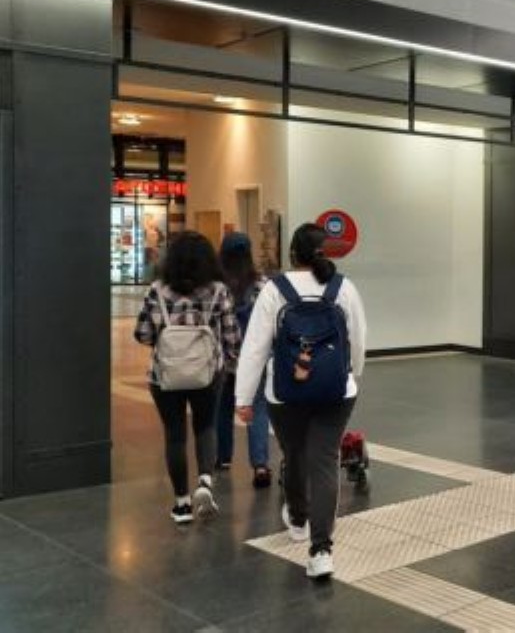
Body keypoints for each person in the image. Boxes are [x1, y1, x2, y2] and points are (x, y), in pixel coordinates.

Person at [235, 223, 367, 580]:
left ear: (292, 254)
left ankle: (297, 520)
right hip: (336, 392)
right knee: (324, 461)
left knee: (294, 454)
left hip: (285, 393)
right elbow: (358, 339)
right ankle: (321, 552)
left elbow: (255, 347)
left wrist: (243, 397)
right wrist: (351, 373)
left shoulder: (274, 290)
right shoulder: (344, 288)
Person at [134, 231, 240, 524]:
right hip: (208, 373)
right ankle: (204, 480)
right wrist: (228, 362)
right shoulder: (218, 290)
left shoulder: (157, 290)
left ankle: (181, 504)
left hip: (165, 376)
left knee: (175, 434)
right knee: (206, 427)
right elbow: (232, 337)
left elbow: (143, 334)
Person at [214, 232, 273, 488]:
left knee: (222, 408)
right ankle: (260, 464)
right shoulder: (262, 284)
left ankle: (222, 457)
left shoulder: (215, 286)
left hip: (223, 358)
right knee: (257, 409)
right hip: (255, 358)